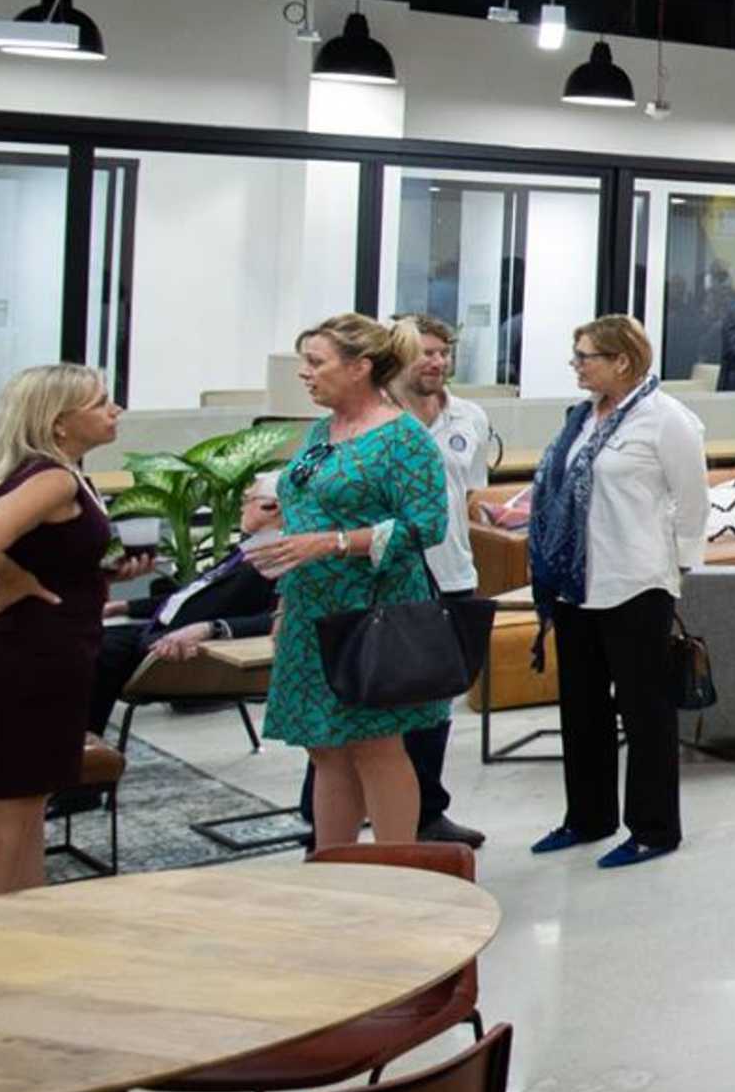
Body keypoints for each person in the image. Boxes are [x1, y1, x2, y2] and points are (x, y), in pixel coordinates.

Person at [242, 316, 458, 855]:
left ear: (360, 368)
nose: (304, 374)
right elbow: (311, 503)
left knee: (375, 746)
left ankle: (392, 869)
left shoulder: (403, 438)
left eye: (316, 362)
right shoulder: (322, 432)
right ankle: (333, 866)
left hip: (370, 612)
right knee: (325, 747)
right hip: (311, 608)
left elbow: (424, 526)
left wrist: (333, 542)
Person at [530, 316, 709, 866]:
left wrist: (676, 570)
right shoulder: (581, 418)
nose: (577, 366)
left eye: (586, 356)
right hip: (575, 585)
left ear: (622, 361)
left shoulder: (667, 420)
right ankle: (587, 818)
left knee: (645, 710)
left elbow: (692, 503)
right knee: (580, 708)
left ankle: (654, 829)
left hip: (635, 583)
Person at [0, 363, 120, 895]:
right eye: (100, 402)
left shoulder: (58, 471)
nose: (114, 410)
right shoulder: (51, 476)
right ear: (60, 421)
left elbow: (51, 552)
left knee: (30, 795)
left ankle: (25, 912)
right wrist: (15, 577)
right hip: (27, 650)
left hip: (52, 644)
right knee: (8, 797)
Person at [384, 312, 492, 848]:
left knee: (435, 704)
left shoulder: (469, 417)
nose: (436, 361)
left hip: (451, 573)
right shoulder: (375, 418)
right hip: (386, 581)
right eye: (424, 351)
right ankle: (341, 805)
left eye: (443, 352)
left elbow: (471, 495)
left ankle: (427, 811)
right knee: (372, 695)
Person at [96, 476, 281, 733]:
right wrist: (122, 606)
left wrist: (211, 628)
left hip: (182, 646)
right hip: (156, 630)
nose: (240, 508)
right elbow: (186, 597)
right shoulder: (247, 551)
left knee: (91, 653)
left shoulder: (276, 557)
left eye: (247, 501)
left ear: (273, 508)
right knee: (76, 642)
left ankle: (84, 746)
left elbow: (276, 618)